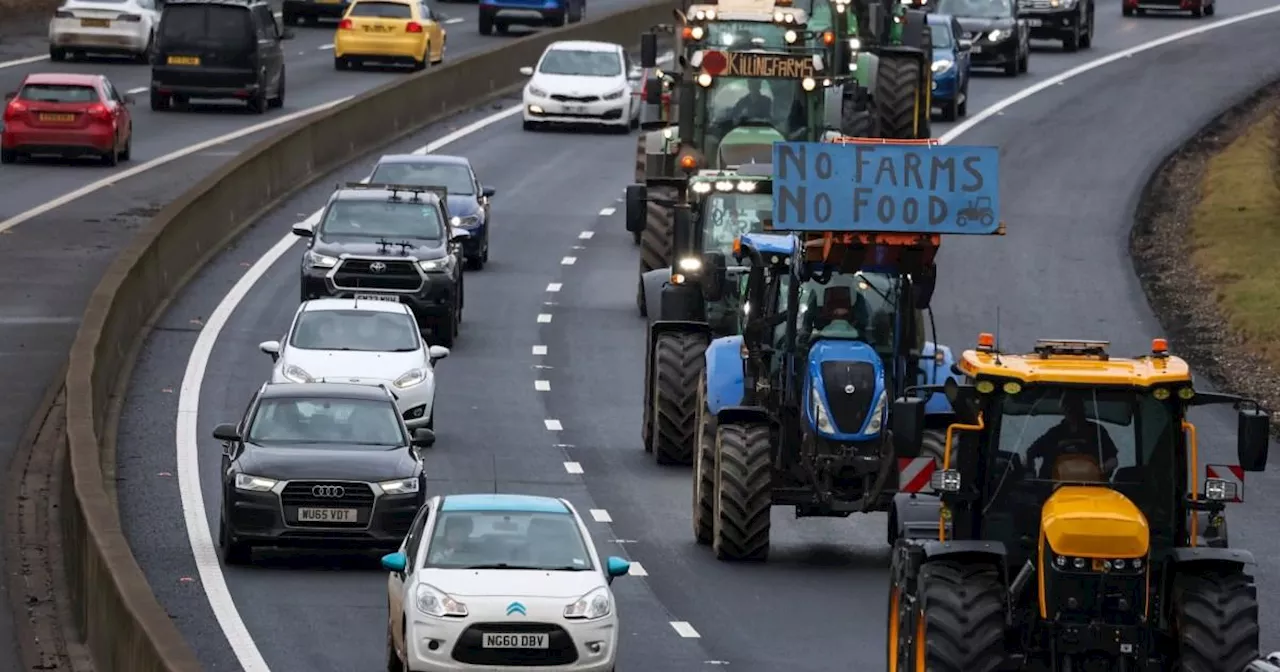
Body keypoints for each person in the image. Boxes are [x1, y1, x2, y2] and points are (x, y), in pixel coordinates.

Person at [1025, 394, 1119, 480]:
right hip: (1052, 488)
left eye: (1075, 407)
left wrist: (1102, 469)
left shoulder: (1097, 431)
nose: (1072, 411)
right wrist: (1030, 474)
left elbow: (1113, 459)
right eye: (1068, 407)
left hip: (1092, 487)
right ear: (1063, 409)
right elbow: (1030, 453)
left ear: (1082, 409)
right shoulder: (1054, 433)